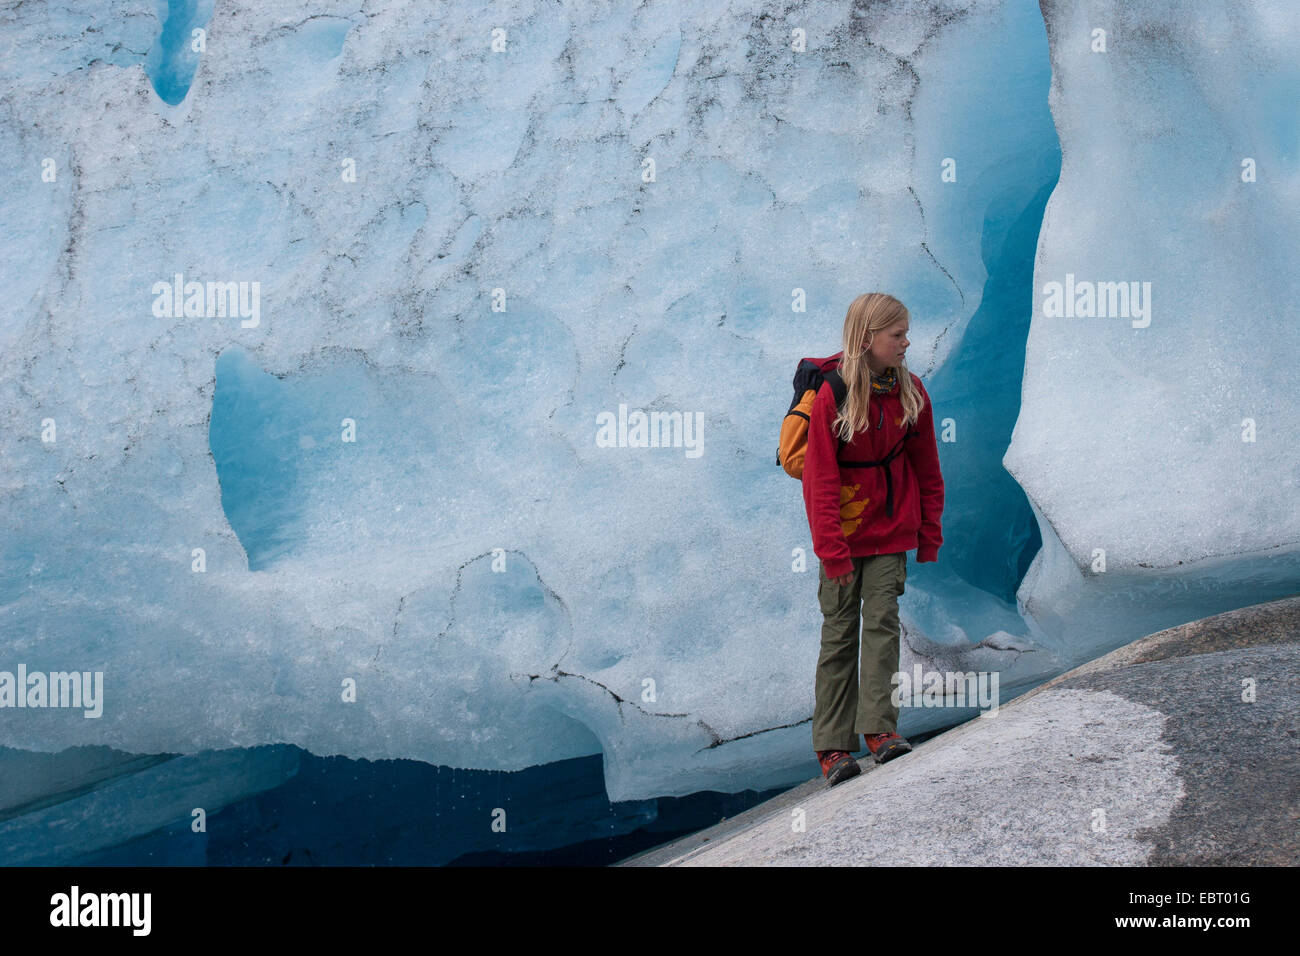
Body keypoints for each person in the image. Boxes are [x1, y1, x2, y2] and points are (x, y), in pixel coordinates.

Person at [801, 292, 945, 786]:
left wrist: (929, 532)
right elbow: (819, 480)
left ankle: (879, 731)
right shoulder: (834, 396)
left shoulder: (912, 392)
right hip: (842, 537)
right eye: (898, 335)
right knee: (839, 634)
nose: (907, 342)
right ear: (868, 339)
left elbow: (927, 469)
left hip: (890, 531)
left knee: (882, 623)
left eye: (906, 333)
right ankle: (833, 746)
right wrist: (831, 550)